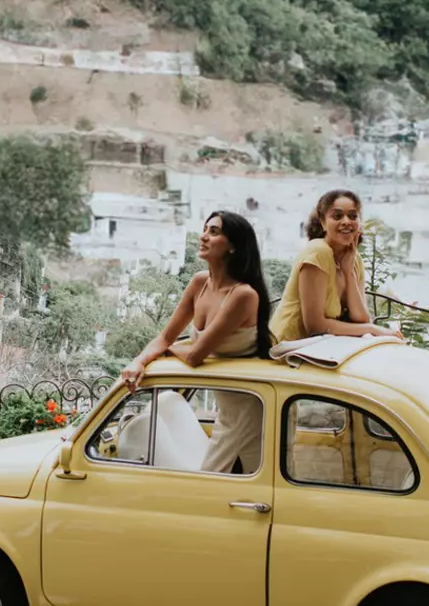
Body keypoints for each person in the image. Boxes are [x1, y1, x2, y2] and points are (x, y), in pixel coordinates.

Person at [119, 211, 272, 474]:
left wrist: (166, 351)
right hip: (228, 406)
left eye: (214, 232)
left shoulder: (244, 295)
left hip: (248, 408)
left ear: (233, 246)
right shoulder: (200, 282)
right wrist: (139, 361)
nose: (203, 236)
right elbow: (166, 337)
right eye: (205, 229)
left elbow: (195, 355)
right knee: (251, 488)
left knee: (211, 484)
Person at [268, 188, 403, 345]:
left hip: (323, 349)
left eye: (353, 216)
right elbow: (315, 326)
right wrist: (373, 329)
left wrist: (348, 273)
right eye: (337, 216)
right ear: (323, 222)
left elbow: (361, 319)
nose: (346, 221)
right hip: (287, 349)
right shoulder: (318, 252)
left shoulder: (354, 259)